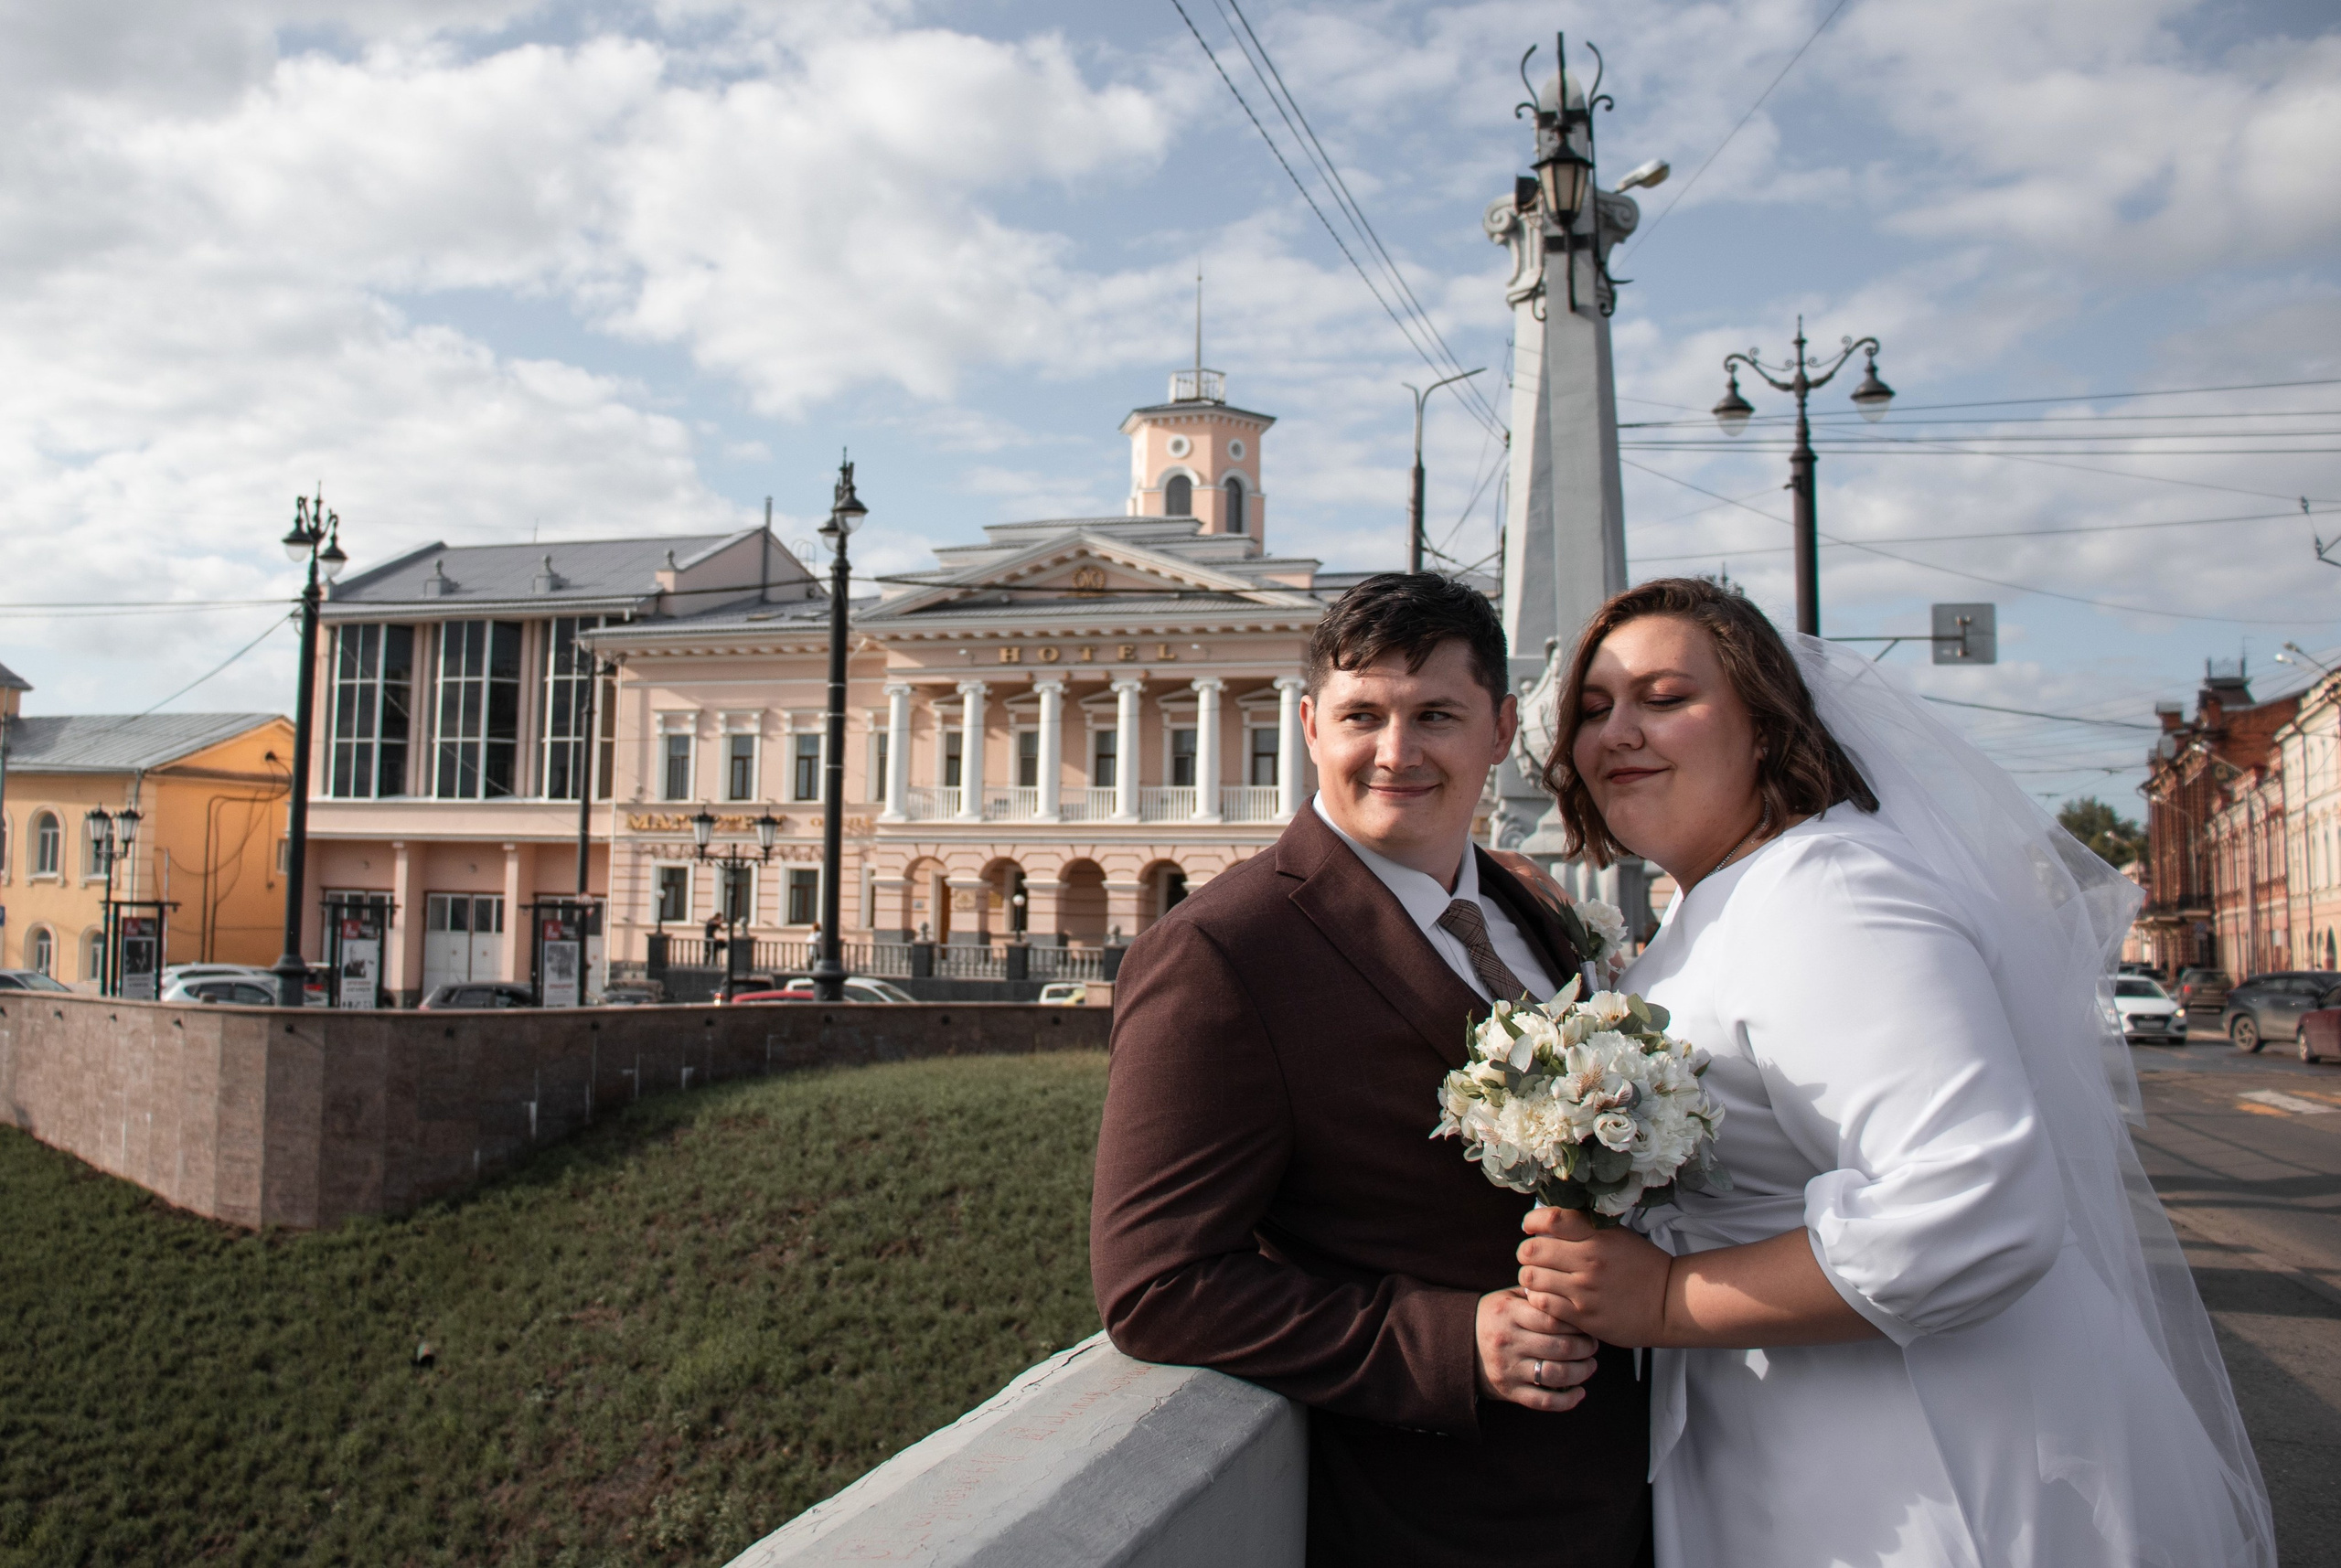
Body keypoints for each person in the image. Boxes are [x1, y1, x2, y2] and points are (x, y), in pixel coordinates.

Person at [1513, 577, 2274, 1567]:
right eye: (1592, 708)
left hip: (1916, 1454)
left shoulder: (1831, 891)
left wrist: (1664, 1298)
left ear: (1765, 726)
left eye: (1664, 697)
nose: (1618, 732)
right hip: (1790, 1432)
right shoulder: (1723, 902)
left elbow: (1973, 1207)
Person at [1091, 573, 1651, 1567]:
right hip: (1443, 1514)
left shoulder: (1527, 908)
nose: (1396, 751)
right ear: (1310, 726)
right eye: (1362, 716)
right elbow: (1158, 1283)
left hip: (1630, 1486)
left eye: (1435, 714)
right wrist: (1448, 1340)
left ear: (1499, 730)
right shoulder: (1224, 950)